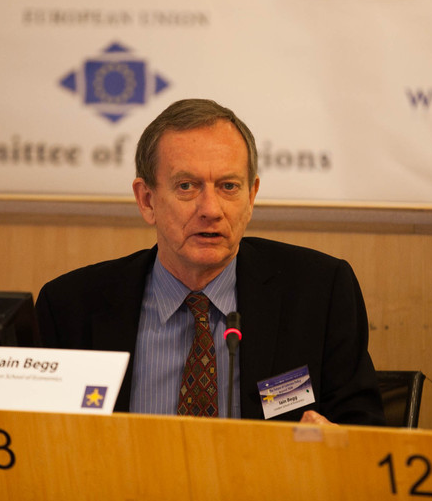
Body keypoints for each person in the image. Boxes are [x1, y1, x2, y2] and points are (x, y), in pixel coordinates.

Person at [35, 99, 384, 425]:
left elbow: (364, 432)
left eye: (228, 187)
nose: (211, 210)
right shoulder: (71, 308)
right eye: (187, 186)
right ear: (147, 200)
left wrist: (335, 443)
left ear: (251, 197)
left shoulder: (318, 294)